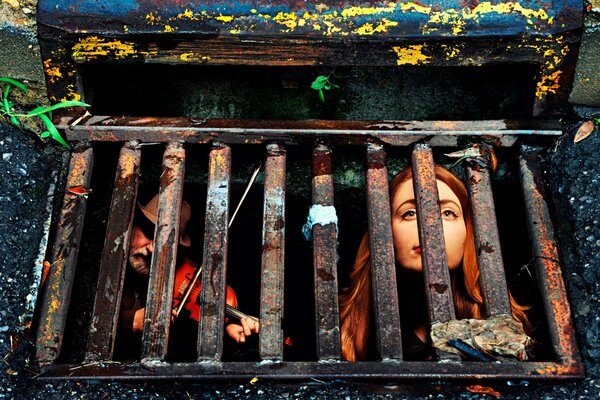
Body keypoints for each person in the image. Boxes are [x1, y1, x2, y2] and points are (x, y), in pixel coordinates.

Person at [339, 165, 530, 361]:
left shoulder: (506, 323)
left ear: (468, 232)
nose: (429, 225)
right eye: (409, 213)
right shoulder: (348, 330)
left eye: (447, 213)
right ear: (383, 232)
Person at [119, 194, 259, 355]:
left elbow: (185, 343)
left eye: (166, 242)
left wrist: (226, 331)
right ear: (133, 224)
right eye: (149, 233)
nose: (152, 249)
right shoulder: (104, 265)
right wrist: (130, 322)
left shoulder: (188, 268)